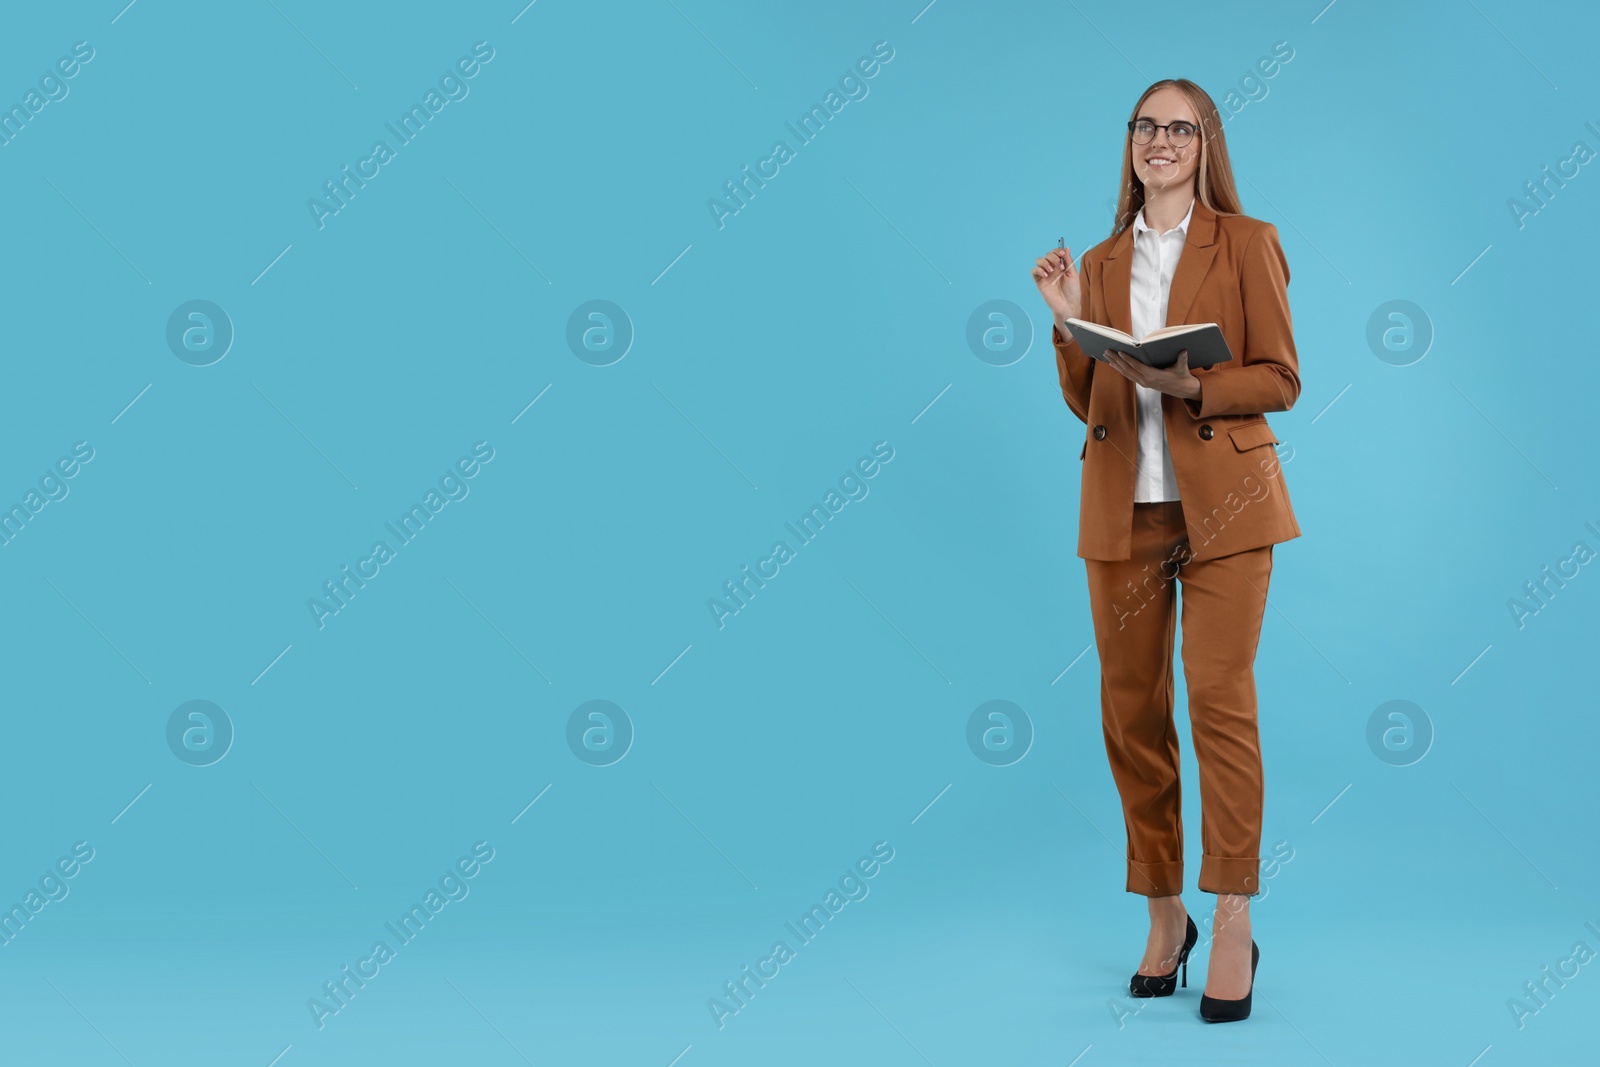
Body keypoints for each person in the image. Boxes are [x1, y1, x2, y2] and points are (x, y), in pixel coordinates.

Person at [1030, 77, 1302, 1023]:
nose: (1161, 140)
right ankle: (1164, 912)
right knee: (1132, 714)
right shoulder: (1102, 260)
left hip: (1227, 507)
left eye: (1179, 127)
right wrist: (1068, 319)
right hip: (1125, 510)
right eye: (1147, 125)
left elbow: (1281, 378)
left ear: (1204, 143)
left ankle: (1233, 919)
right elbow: (1090, 401)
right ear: (1131, 141)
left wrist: (1194, 387)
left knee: (1219, 702)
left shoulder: (1250, 242)